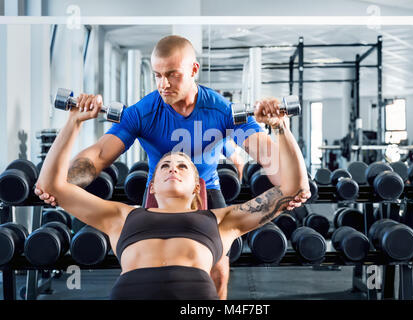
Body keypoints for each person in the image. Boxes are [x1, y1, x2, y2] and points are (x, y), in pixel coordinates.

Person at [35, 35, 304, 299]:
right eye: (157, 75)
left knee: (219, 267)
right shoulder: (142, 112)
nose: (163, 84)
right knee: (138, 260)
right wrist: (63, 182)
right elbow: (96, 158)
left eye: (173, 75)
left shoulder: (222, 111)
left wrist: (278, 125)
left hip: (206, 188)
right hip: (158, 190)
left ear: (193, 70)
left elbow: (280, 174)